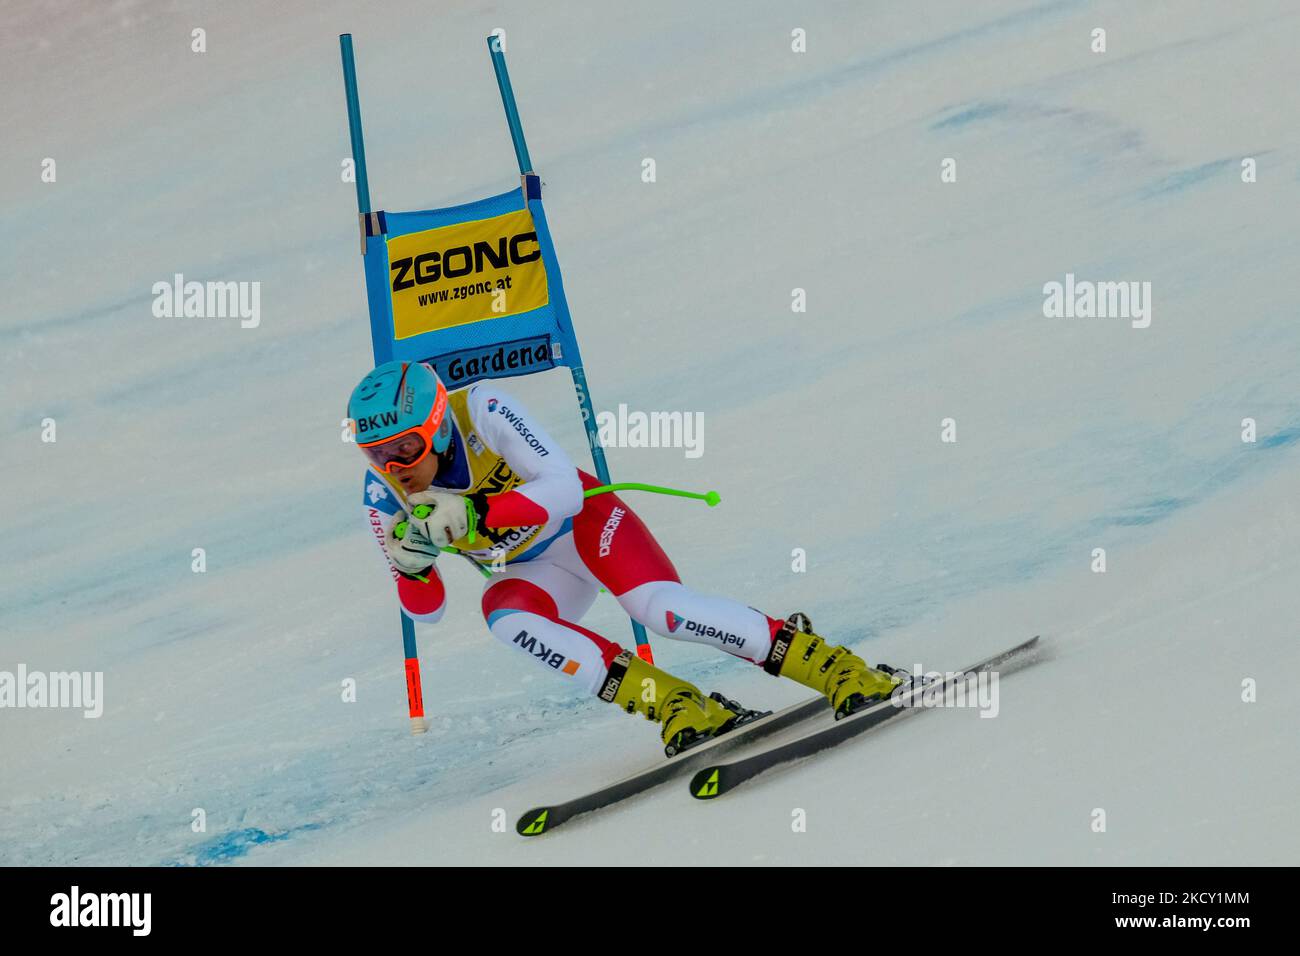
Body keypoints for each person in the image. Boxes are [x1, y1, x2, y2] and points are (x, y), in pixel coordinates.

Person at [348, 359, 901, 754]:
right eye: (376, 454)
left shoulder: (484, 407)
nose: (395, 467)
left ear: (440, 425)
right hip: (534, 566)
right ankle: (676, 703)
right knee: (504, 615)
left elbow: (563, 487)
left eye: (406, 448)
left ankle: (838, 667)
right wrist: (412, 566)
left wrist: (477, 515)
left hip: (587, 524)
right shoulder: (383, 495)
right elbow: (426, 612)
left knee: (662, 613)